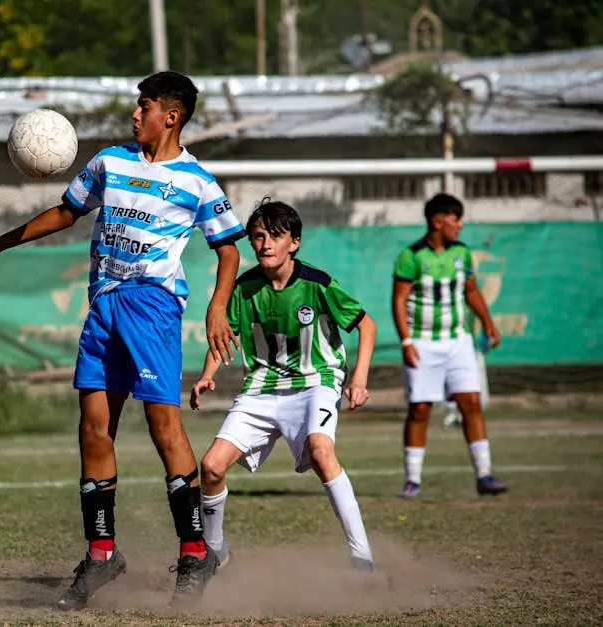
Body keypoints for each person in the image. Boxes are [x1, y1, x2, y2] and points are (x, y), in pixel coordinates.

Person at [0, 71, 246, 609]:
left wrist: (217, 305)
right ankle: (101, 555)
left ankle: (195, 553)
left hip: (154, 308)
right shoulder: (109, 162)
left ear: (172, 115)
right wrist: (0, 243)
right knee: (93, 428)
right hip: (105, 306)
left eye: (145, 106)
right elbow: (67, 212)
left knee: (165, 428)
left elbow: (229, 248)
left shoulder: (197, 181)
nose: (135, 115)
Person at [190, 199, 377, 572]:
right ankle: (214, 551)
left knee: (322, 453)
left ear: (294, 242)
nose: (265, 244)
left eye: (276, 236)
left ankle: (362, 558)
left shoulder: (318, 284)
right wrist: (207, 374)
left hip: (316, 383)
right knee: (210, 467)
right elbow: (226, 336)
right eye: (258, 236)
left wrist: (358, 379)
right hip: (261, 388)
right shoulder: (244, 289)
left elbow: (366, 325)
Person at [392, 193, 509, 498]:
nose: (460, 225)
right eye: (456, 219)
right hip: (422, 342)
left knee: (470, 401)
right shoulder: (411, 256)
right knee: (420, 409)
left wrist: (488, 321)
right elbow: (399, 300)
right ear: (438, 221)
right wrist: (406, 341)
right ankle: (413, 480)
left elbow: (471, 291)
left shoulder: (462, 253)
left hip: (458, 341)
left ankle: (484, 475)